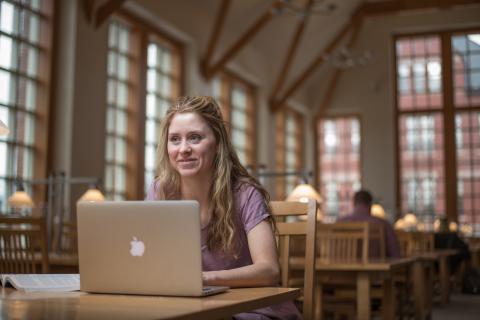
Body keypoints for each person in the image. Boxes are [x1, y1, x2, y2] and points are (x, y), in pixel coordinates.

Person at [146, 96, 301, 320]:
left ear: (217, 143)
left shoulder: (245, 193)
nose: (183, 149)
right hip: (189, 309)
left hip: (252, 310)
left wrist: (204, 279)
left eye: (195, 138)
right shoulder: (159, 191)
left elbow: (269, 270)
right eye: (175, 139)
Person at [337, 189, 401, 258]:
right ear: (370, 204)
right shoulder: (383, 224)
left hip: (341, 266)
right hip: (375, 267)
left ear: (353, 203)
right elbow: (395, 253)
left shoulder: (339, 222)